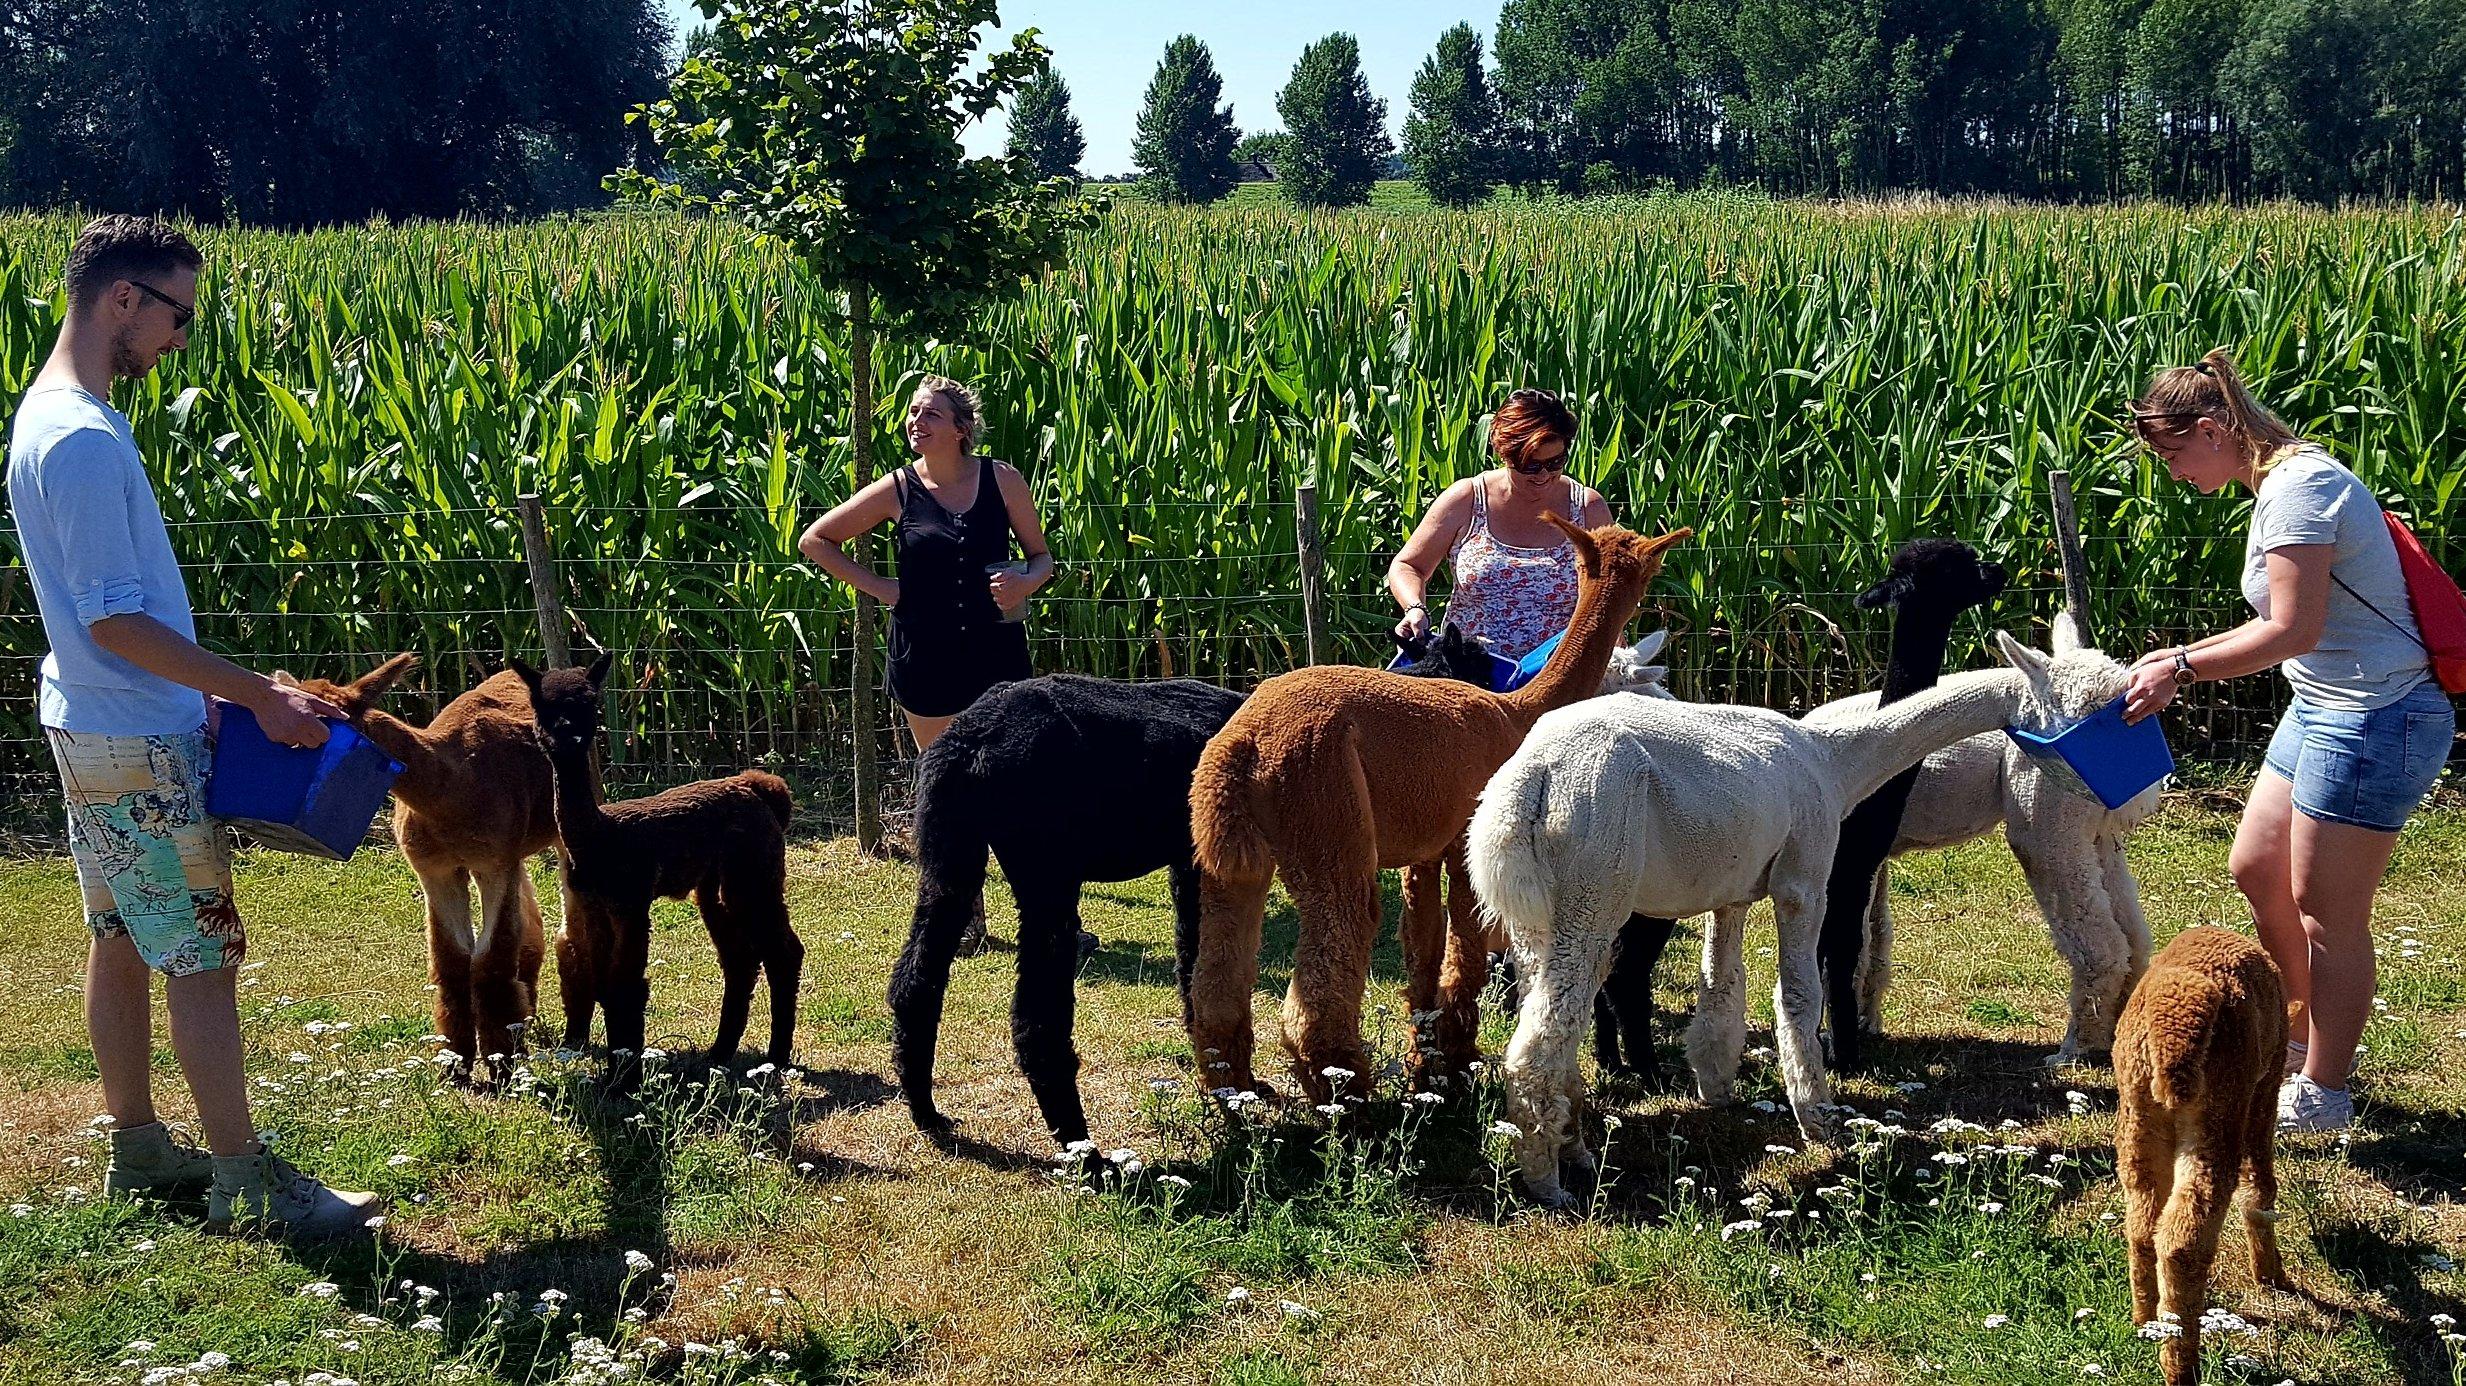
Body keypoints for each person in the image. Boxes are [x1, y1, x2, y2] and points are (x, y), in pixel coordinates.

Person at [6, 216, 380, 1234]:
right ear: (121, 297)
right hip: (134, 740)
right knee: (201, 953)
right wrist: (255, 694)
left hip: (95, 723)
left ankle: (137, 1150)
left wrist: (215, 689)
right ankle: (246, 1178)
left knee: (120, 934)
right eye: (178, 315)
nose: (182, 339)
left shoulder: (49, 415)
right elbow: (114, 617)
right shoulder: (79, 436)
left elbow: (102, 624)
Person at [2122, 348, 2453, 1134]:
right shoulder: (2281, 484)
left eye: (2173, 456)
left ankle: (2326, 1093)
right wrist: (2179, 659)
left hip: (2380, 715)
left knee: (2326, 912)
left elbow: (2290, 628)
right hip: (2324, 708)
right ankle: (2303, 1039)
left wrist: (2179, 666)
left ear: (2212, 429)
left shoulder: (2303, 489)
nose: (2172, 475)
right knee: (2256, 867)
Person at [800, 375, 1074, 955]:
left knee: (1016, 787)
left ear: (960, 428)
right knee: (946, 788)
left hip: (997, 655)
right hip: (924, 657)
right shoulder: (898, 488)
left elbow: (1043, 557)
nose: (915, 422)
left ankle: (1050, 922)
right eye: (912, 413)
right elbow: (816, 540)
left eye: (929, 414)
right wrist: (886, 590)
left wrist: (1026, 579)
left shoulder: (1002, 480)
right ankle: (964, 921)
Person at [1387, 388, 1614, 662]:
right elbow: (1409, 565)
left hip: (1560, 673)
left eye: (1556, 462)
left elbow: (1612, 588)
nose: (1544, 475)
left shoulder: (1588, 509)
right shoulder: (1467, 500)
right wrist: (1414, 608)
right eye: (1530, 466)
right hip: (1470, 669)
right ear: (1505, 455)